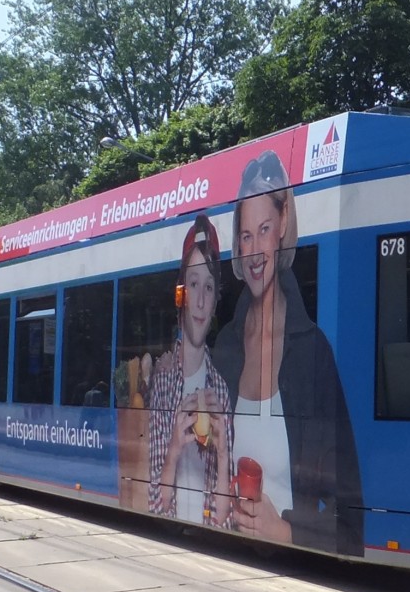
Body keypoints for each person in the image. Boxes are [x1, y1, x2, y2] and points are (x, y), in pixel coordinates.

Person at [211, 149, 364, 556]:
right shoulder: (223, 348)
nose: (255, 249)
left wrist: (288, 533)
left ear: (282, 226)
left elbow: (350, 518)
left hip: (286, 579)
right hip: (217, 564)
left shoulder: (312, 352)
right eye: (246, 235)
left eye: (264, 229)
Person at [147, 214, 234, 527]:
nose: (200, 301)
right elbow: (155, 508)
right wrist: (173, 448)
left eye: (208, 287)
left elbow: (224, 521)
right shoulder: (162, 380)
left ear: (215, 301)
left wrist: (223, 455)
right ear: (181, 296)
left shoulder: (221, 391)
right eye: (193, 284)